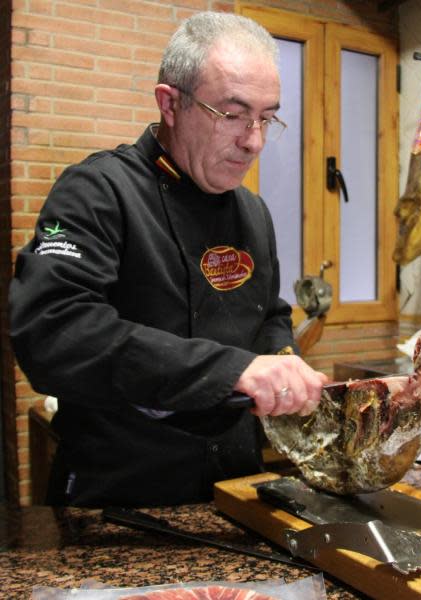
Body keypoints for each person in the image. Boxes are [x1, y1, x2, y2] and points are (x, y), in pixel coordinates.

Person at [9, 12, 328, 507]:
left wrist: (282, 361)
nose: (254, 141)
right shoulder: (97, 192)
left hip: (237, 490)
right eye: (233, 114)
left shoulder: (251, 211)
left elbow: (268, 315)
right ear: (171, 103)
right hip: (119, 497)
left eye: (266, 117)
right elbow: (53, 332)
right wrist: (232, 370)